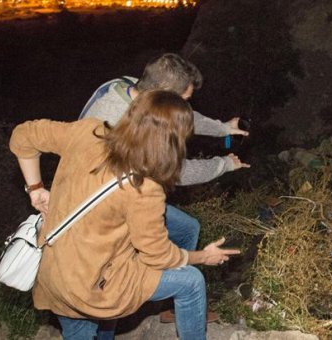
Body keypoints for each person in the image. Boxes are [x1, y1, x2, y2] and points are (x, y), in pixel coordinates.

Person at [10, 90, 240, 340]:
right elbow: (159, 256)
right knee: (191, 282)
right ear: (173, 139)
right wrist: (204, 256)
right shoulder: (144, 187)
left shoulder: (88, 132)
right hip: (90, 285)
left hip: (53, 276)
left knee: (88, 322)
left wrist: (35, 189)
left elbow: (22, 135)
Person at [78, 53, 250, 329]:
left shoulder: (131, 87)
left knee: (186, 229)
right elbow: (175, 171)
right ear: (164, 95)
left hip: (122, 190)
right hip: (101, 209)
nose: (186, 107)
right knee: (102, 301)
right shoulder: (120, 120)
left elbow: (184, 115)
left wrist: (222, 128)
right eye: (184, 99)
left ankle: (174, 305)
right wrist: (224, 165)